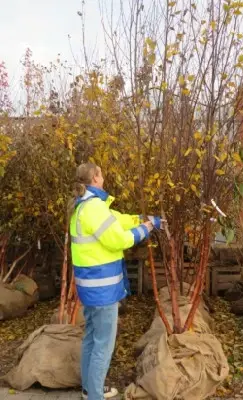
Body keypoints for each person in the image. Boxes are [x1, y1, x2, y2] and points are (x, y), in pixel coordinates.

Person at [69, 162, 163, 400]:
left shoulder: (86, 206)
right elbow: (119, 239)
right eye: (102, 173)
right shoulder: (94, 208)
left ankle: (90, 390)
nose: (104, 176)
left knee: (91, 339)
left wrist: (141, 218)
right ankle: (95, 397)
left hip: (91, 290)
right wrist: (148, 227)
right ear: (95, 178)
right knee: (103, 345)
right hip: (103, 291)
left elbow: (118, 220)